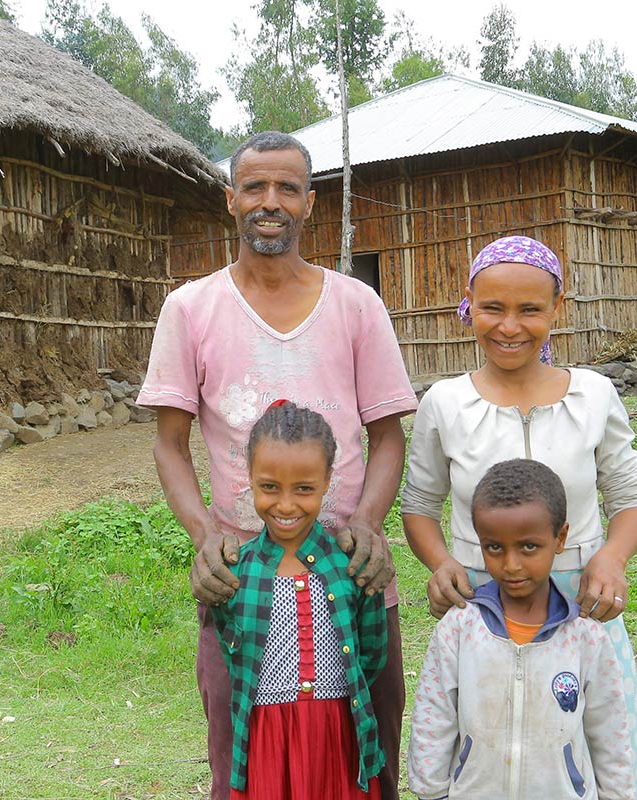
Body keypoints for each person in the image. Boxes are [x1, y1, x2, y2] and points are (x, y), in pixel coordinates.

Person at [138, 130, 417, 800]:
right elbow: (169, 444)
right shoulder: (191, 309)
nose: (271, 202)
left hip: (353, 578)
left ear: (309, 203)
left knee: (367, 759)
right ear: (230, 199)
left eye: (287, 188)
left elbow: (388, 437)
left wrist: (371, 527)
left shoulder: (357, 305)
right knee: (241, 764)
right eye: (256, 187)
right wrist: (206, 537)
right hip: (245, 585)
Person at [401, 235, 637, 798]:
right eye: (493, 307)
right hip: (481, 609)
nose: (509, 326)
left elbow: (630, 497)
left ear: (557, 309)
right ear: (469, 303)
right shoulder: (443, 403)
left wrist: (611, 557)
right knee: (486, 742)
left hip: (583, 603)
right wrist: (441, 563)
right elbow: (419, 506)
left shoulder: (593, 395)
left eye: (530, 309)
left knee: (593, 746)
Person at [407, 458, 635, 800]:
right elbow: (433, 718)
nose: (511, 564)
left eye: (529, 546)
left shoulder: (585, 636)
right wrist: (430, 791)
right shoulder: (460, 628)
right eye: (494, 548)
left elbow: (611, 733)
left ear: (560, 539)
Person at [212, 401, 387, 799]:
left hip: (338, 735)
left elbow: (373, 653)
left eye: (304, 489)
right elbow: (232, 650)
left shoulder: (351, 567)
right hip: (267, 739)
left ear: (327, 482)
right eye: (269, 487)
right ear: (250, 479)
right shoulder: (237, 572)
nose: (286, 505)